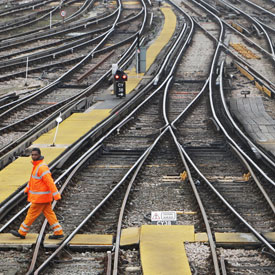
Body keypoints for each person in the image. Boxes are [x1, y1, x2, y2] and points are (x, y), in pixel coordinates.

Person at [10, 148, 64, 239]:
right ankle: (58, 231)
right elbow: (33, 181)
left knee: (31, 214)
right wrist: (27, 189)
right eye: (32, 155)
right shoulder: (37, 166)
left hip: (40, 198)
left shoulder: (41, 167)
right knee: (49, 214)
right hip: (42, 197)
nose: (33, 156)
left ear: (39, 155)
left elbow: (50, 182)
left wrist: (56, 194)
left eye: (35, 155)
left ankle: (22, 232)